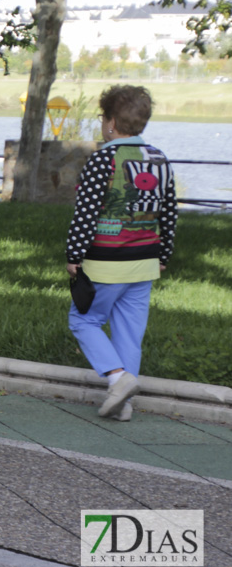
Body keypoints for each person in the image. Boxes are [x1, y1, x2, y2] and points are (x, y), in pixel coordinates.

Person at [66, 85, 178, 422]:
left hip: (106, 261)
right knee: (129, 332)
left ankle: (117, 378)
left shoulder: (103, 158)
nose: (103, 124)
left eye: (103, 117)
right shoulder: (159, 159)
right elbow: (169, 211)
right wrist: (163, 254)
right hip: (145, 261)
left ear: (112, 121)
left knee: (84, 320)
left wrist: (74, 254)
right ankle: (123, 404)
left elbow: (86, 212)